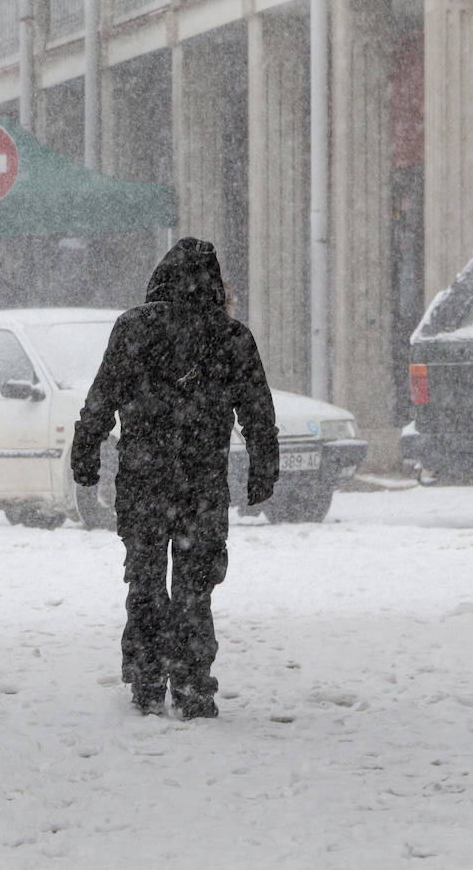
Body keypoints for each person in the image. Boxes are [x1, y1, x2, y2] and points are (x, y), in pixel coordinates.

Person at [71, 237, 280, 719]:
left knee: (144, 579)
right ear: (214, 284)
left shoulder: (133, 329)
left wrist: (87, 449)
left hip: (144, 480)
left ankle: (147, 678)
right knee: (194, 586)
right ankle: (192, 685)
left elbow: (102, 396)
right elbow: (258, 411)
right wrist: (263, 465)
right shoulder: (231, 338)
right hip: (201, 484)